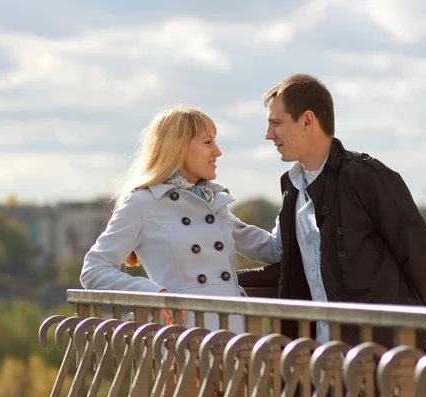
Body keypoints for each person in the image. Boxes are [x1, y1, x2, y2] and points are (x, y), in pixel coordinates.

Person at [237, 74, 426, 352]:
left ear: (308, 120)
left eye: (276, 123)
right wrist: (218, 280)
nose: (268, 134)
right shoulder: (292, 188)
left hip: (384, 356)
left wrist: (410, 338)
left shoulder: (367, 177)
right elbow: (292, 268)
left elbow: (424, 263)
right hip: (321, 358)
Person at [80, 105, 282, 335]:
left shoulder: (213, 202)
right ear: (179, 148)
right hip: (186, 339)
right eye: (208, 142)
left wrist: (294, 196)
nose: (217, 152)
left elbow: (273, 250)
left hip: (236, 336)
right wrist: (153, 294)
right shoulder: (141, 203)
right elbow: (93, 270)